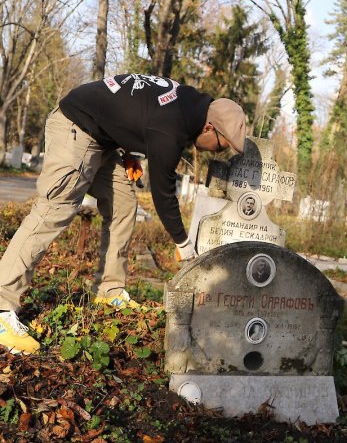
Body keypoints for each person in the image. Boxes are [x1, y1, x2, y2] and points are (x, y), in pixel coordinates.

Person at [0, 73, 247, 354]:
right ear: (209, 127)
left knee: (124, 206)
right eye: (222, 146)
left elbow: (134, 104)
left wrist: (128, 145)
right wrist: (183, 243)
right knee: (54, 208)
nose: (218, 152)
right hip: (76, 127)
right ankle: (1, 306)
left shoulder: (189, 103)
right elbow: (163, 194)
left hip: (103, 139)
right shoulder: (173, 127)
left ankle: (110, 290)